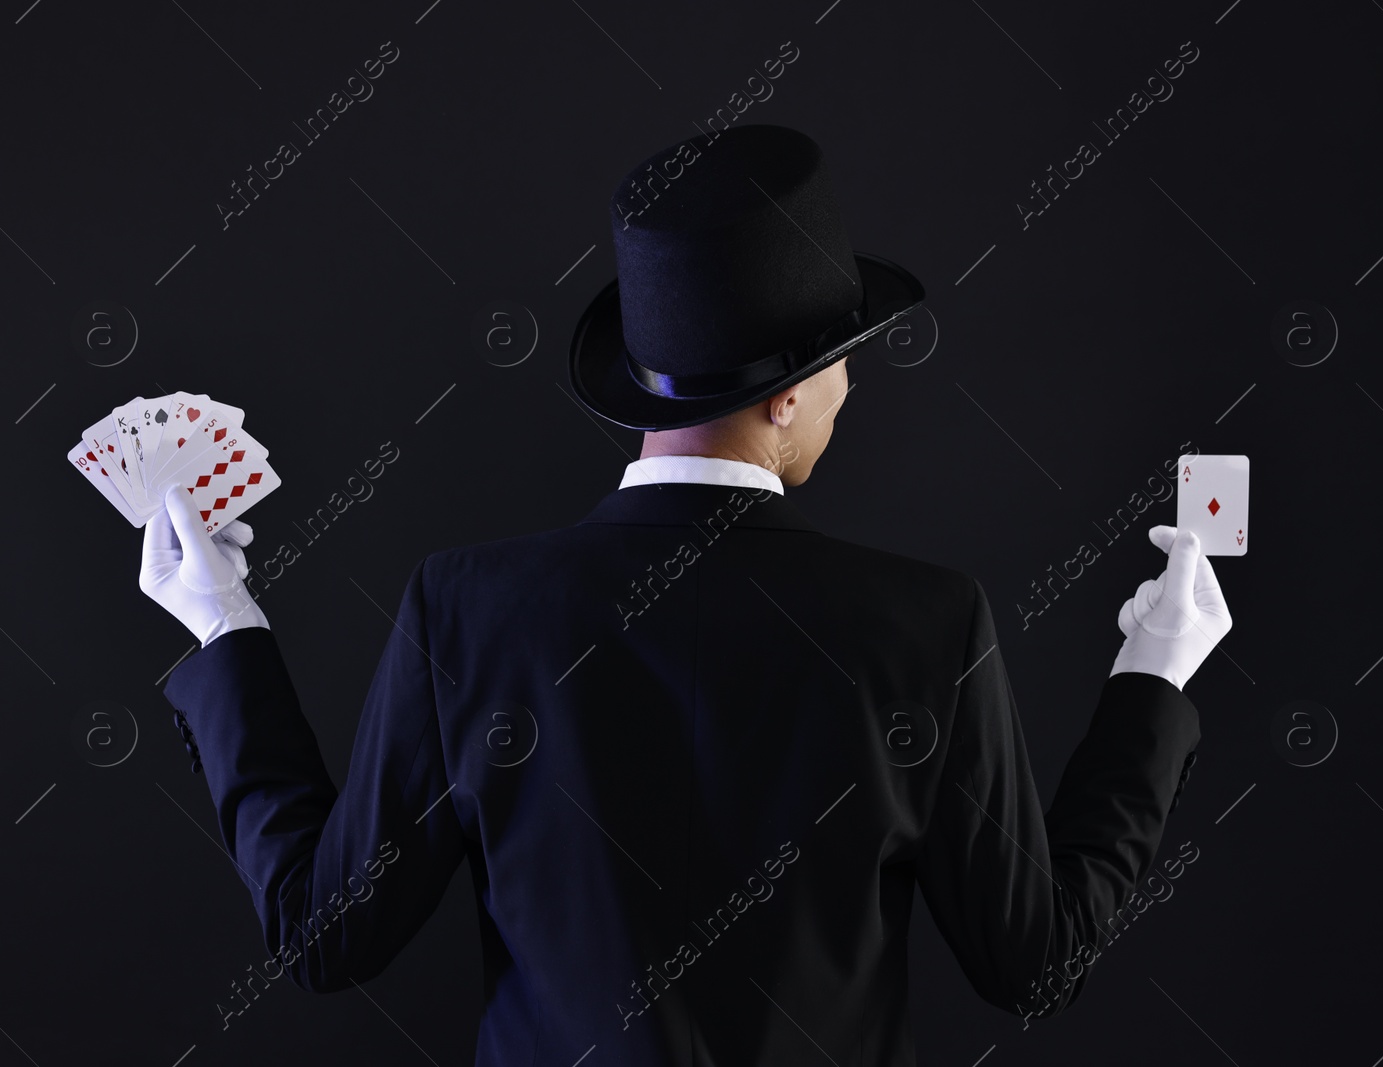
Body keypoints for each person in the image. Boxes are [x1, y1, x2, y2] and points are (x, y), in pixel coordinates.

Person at [141, 124, 1232, 1065]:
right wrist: (1153, 672)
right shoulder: (927, 622)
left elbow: (327, 931)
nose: (852, 388)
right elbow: (1032, 965)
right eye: (847, 361)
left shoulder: (468, 608)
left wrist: (225, 622)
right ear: (789, 397)